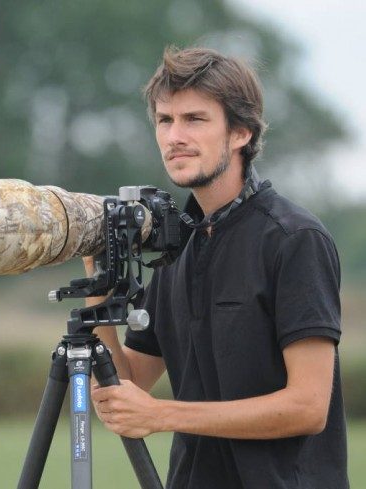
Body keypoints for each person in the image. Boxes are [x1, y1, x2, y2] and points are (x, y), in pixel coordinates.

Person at [86, 46, 348, 488]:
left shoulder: (294, 239)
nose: (174, 137)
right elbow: (127, 386)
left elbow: (308, 406)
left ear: (241, 132)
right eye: (165, 120)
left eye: (195, 119)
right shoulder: (175, 248)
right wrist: (97, 293)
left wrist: (164, 415)